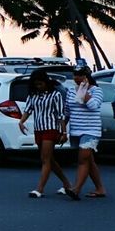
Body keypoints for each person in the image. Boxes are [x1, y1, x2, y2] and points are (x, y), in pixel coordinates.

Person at [18, 69, 71, 197]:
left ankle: (40, 189)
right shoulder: (33, 94)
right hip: (39, 129)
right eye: (36, 84)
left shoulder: (55, 95)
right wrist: (21, 121)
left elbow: (60, 115)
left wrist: (63, 132)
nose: (39, 86)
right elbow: (28, 109)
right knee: (49, 160)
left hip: (51, 128)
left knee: (45, 159)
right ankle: (66, 183)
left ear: (46, 82)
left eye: (41, 83)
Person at [65, 67, 107, 200]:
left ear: (86, 77)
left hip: (91, 130)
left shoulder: (96, 90)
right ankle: (100, 188)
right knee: (89, 161)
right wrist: (62, 129)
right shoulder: (71, 91)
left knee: (82, 159)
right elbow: (67, 111)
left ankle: (76, 189)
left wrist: (85, 93)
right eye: (75, 76)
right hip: (76, 130)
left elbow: (94, 106)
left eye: (80, 76)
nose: (77, 79)